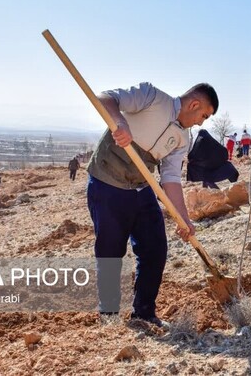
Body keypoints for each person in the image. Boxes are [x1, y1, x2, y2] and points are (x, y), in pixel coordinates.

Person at [86, 81, 218, 326]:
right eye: (204, 116)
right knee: (110, 251)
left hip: (140, 187)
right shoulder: (151, 97)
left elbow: (170, 179)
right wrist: (120, 122)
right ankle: (109, 315)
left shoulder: (182, 138)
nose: (201, 122)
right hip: (107, 183)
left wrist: (184, 218)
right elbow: (104, 98)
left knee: (155, 248)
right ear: (195, 104)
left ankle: (144, 313)